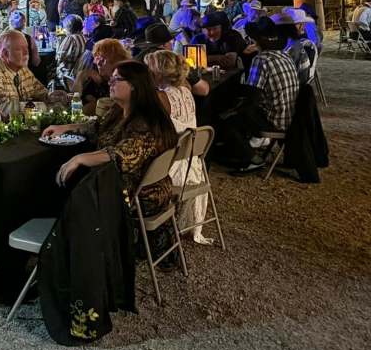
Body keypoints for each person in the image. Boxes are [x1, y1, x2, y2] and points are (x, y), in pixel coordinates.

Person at [43, 60, 179, 261]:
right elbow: (96, 128)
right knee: (63, 180)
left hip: (138, 196)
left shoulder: (145, 120)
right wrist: (66, 128)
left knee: (61, 185)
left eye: (117, 79)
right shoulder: (119, 110)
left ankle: (66, 251)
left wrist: (81, 158)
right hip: (124, 184)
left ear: (134, 85)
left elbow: (124, 155)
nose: (110, 82)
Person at [145, 50, 210, 243]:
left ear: (157, 72)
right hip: (192, 162)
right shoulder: (186, 90)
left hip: (169, 168)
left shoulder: (161, 98)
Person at [218, 16, 299, 171]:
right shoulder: (284, 55)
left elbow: (252, 94)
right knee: (238, 112)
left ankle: (251, 158)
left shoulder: (262, 59)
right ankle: (245, 148)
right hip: (291, 115)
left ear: (258, 41)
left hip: (275, 120)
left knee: (226, 119)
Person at [0, 29, 49, 118]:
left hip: (16, 127)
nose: (26, 53)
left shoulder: (23, 70)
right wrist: (43, 106)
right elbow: (6, 110)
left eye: (26, 48)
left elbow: (43, 94)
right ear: (5, 54)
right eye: (19, 49)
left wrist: (58, 97)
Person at [72, 38, 130, 113]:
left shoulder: (123, 82)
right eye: (97, 58)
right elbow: (74, 103)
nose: (98, 63)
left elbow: (78, 112)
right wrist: (80, 77)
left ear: (116, 60)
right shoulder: (95, 77)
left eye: (103, 59)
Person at [273, 12, 317, 86]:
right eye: (300, 24)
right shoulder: (297, 43)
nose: (303, 26)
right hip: (301, 84)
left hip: (294, 88)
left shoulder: (293, 47)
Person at [54, 14, 85, 86]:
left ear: (68, 27)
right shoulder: (83, 37)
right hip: (79, 72)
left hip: (68, 74)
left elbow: (58, 58)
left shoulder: (70, 38)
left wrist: (59, 41)